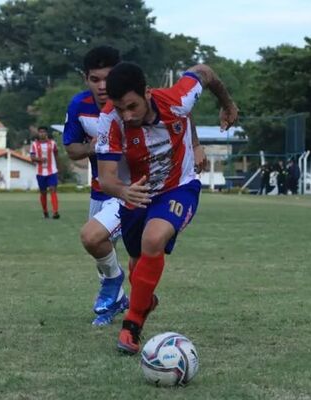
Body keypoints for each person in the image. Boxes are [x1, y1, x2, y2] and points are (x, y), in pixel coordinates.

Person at [96, 61, 238, 354]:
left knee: (153, 238)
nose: (127, 115)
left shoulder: (178, 99)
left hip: (179, 187)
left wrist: (227, 104)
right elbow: (106, 179)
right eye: (120, 108)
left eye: (132, 106)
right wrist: (125, 191)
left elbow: (205, 71)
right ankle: (145, 301)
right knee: (138, 269)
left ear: (147, 93)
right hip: (137, 194)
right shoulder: (109, 120)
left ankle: (131, 327)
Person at [62, 46, 128, 326]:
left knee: (101, 241)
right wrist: (96, 145)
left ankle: (129, 306)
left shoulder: (135, 100)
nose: (102, 86)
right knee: (100, 249)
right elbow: (72, 149)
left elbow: (176, 111)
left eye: (108, 78)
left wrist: (195, 146)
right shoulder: (79, 106)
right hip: (101, 191)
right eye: (95, 79)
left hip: (135, 191)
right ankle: (117, 300)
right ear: (85, 79)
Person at [30, 126, 60, 219]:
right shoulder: (34, 145)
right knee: (43, 192)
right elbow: (32, 158)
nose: (42, 134)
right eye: (40, 132)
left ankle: (55, 212)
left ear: (47, 133)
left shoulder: (52, 143)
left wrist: (58, 167)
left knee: (52, 189)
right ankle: (45, 211)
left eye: (44, 132)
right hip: (40, 172)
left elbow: (56, 154)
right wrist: (40, 159)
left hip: (52, 171)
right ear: (38, 133)